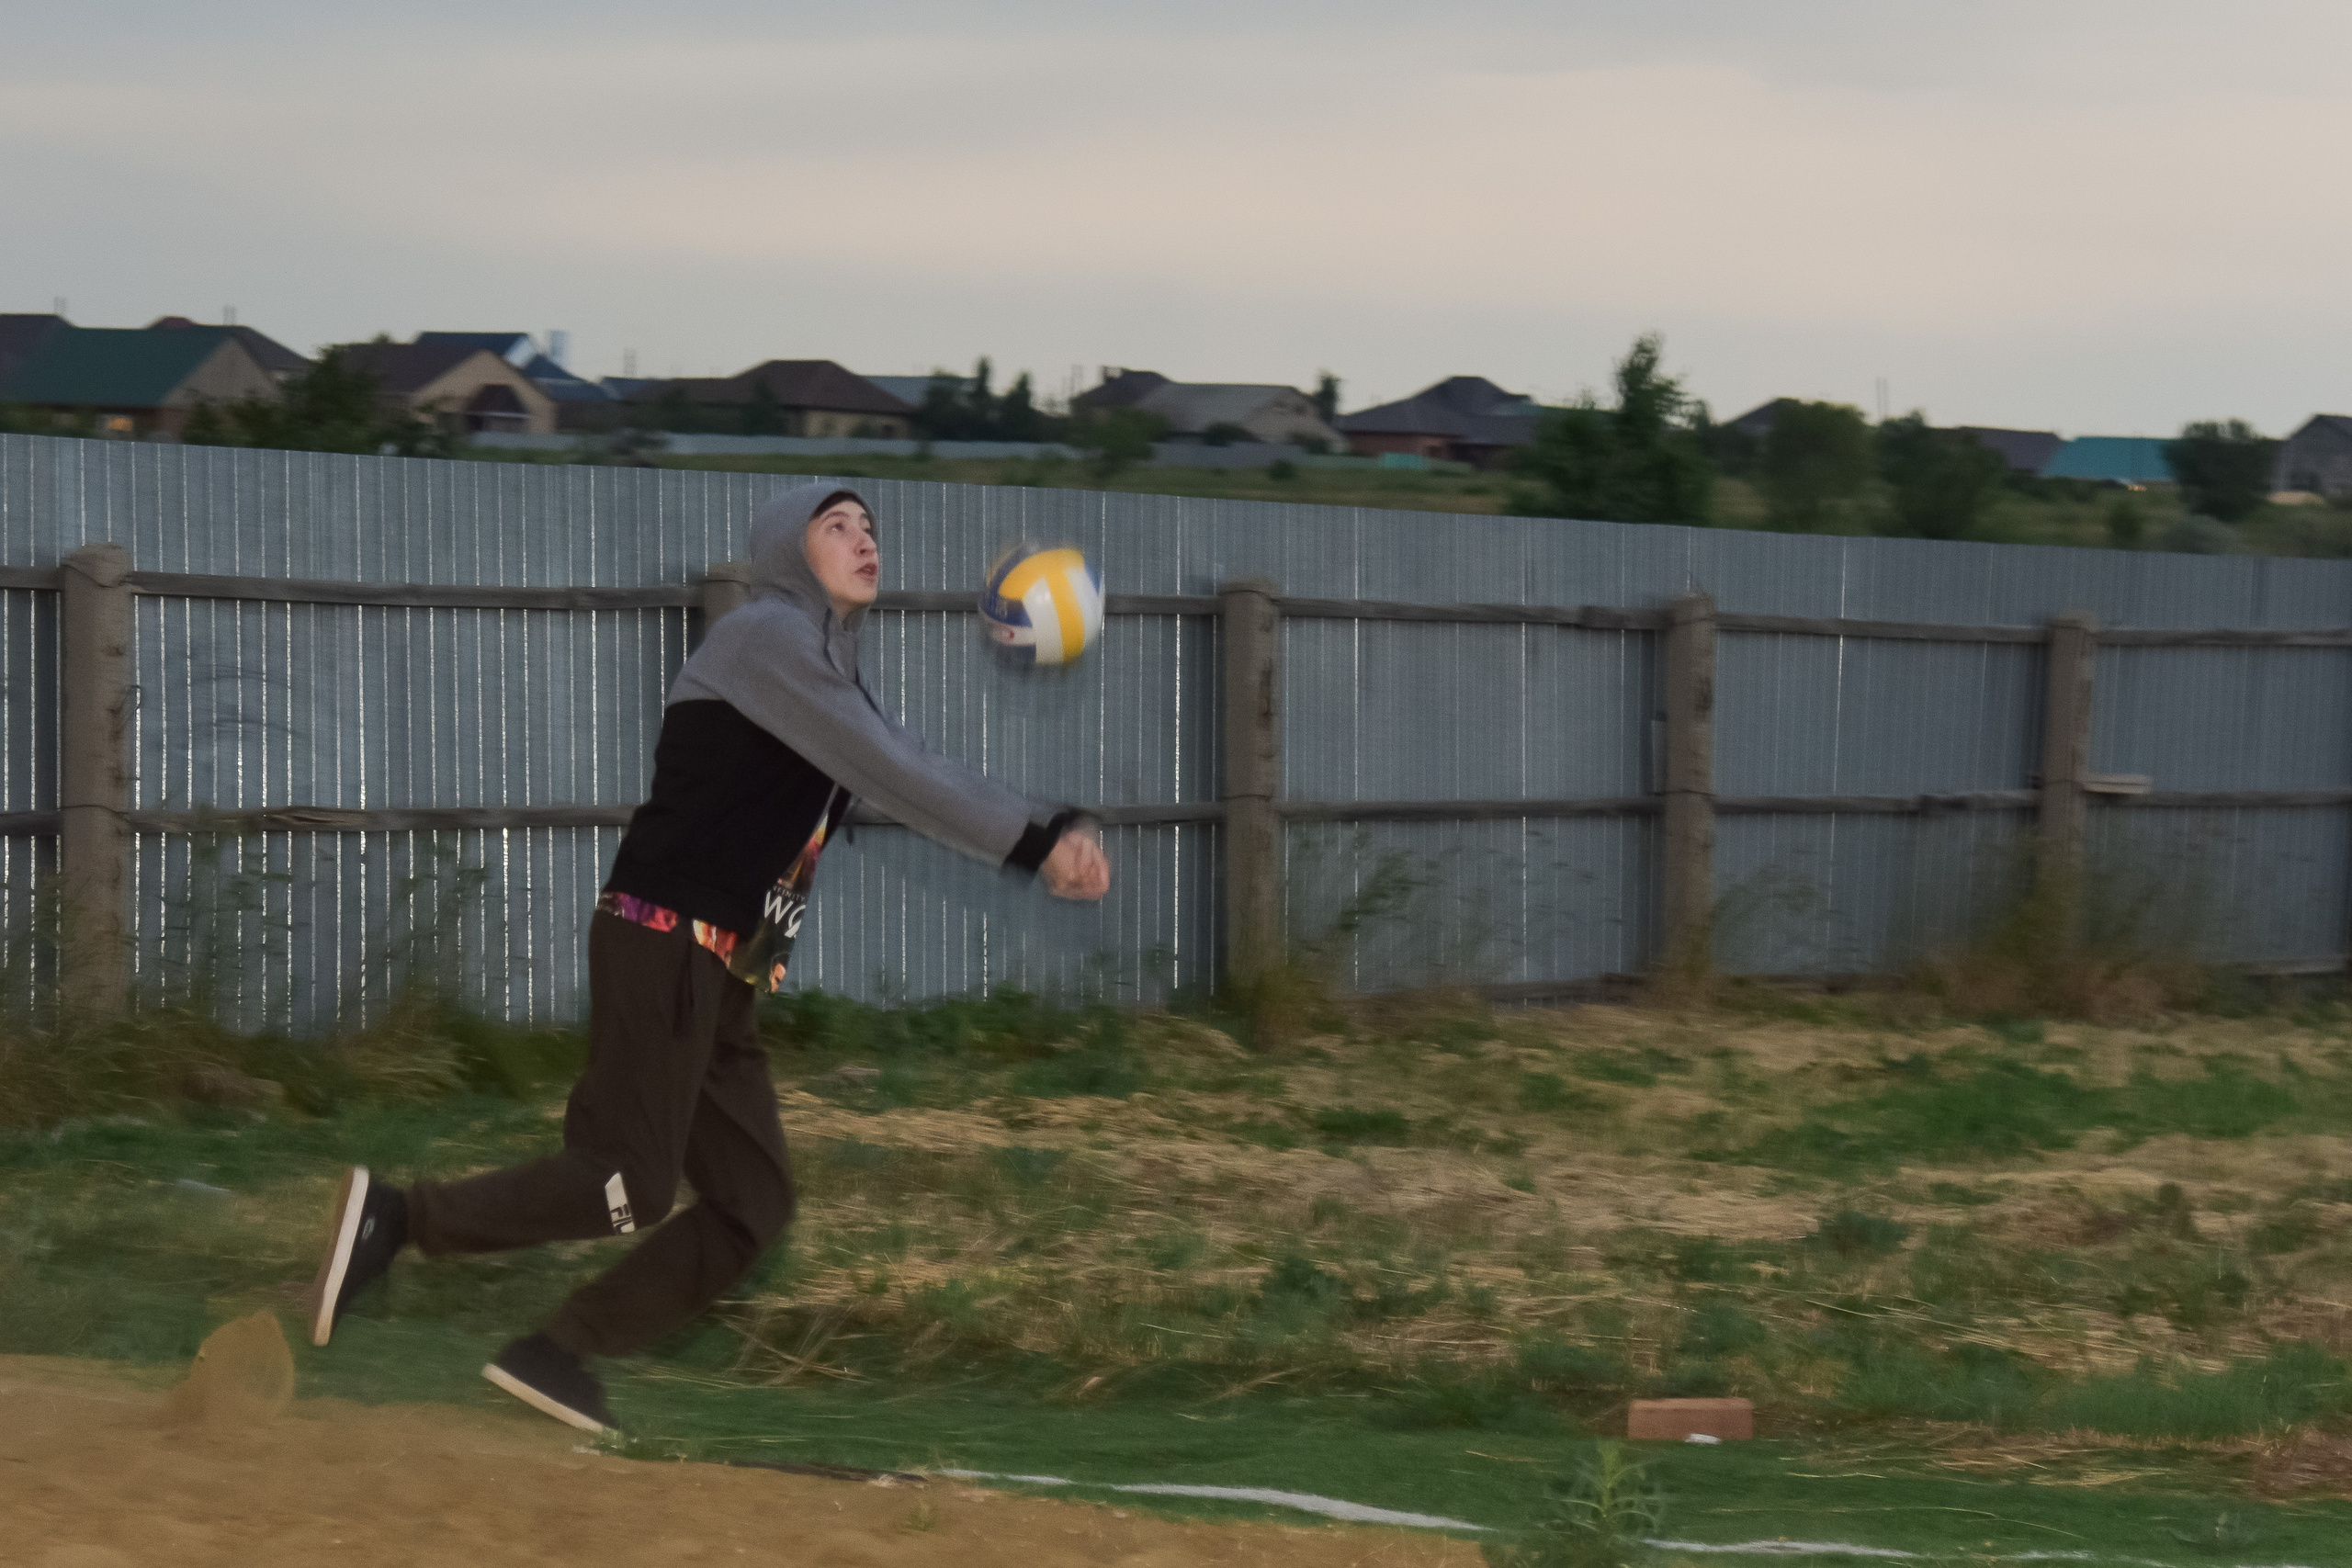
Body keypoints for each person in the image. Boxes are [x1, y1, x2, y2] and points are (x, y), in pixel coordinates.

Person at [305, 481, 1110, 1432]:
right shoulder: (768, 638)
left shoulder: (822, 664)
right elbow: (897, 772)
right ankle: (399, 1222)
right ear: (785, 549)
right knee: (624, 1179)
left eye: (870, 527)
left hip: (721, 971)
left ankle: (553, 1354)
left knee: (751, 1202)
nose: (864, 540)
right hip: (666, 937)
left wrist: (1045, 830)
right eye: (836, 525)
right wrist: (1035, 840)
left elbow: (899, 756)